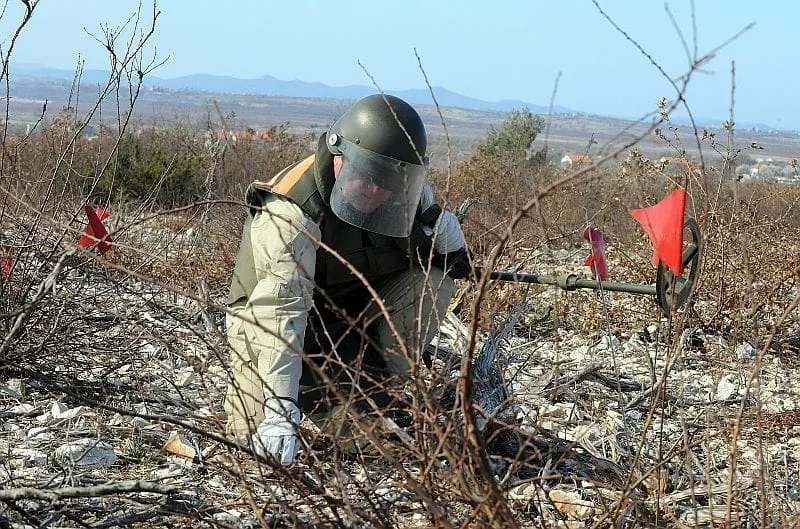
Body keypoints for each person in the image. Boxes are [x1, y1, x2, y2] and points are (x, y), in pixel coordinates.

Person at [223, 94, 470, 465]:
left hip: (354, 321)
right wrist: (279, 407)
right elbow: (280, 310)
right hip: (272, 323)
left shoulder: (402, 187)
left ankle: (397, 381)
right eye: (368, 177)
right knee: (253, 440)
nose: (377, 190)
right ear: (338, 155)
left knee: (386, 439)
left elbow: (451, 268)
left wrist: (449, 241)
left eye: (387, 181)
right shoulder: (290, 212)